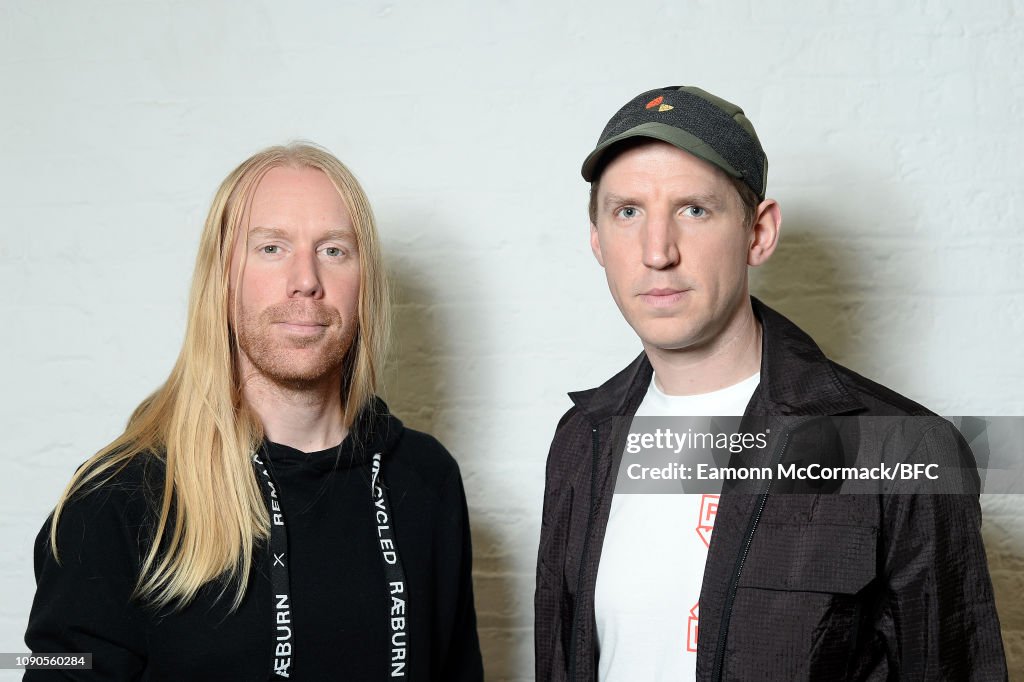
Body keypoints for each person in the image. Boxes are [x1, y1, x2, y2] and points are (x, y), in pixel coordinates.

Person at [534, 86, 1007, 680]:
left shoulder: (904, 449)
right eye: (628, 211)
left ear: (758, 232)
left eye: (694, 210)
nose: (657, 251)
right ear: (598, 240)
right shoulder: (582, 440)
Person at [25, 143, 484, 681]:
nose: (306, 279)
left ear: (366, 283)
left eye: (334, 250)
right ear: (221, 277)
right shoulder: (118, 497)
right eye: (271, 248)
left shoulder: (426, 479)